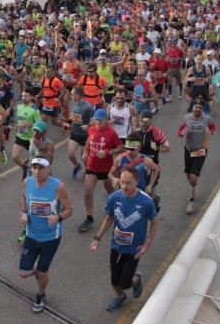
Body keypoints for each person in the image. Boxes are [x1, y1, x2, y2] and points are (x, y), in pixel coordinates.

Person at [89, 166, 160, 312]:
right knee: (114, 281)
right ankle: (121, 297)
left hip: (134, 249)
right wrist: (97, 238)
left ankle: (135, 279)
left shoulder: (146, 202)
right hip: (116, 246)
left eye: (128, 183)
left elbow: (155, 222)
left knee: (125, 282)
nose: (124, 186)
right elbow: (109, 218)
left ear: (137, 182)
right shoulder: (114, 198)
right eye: (122, 182)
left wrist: (147, 243)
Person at [19, 156, 72, 312]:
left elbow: (69, 209)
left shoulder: (58, 187)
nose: (37, 171)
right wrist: (22, 212)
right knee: (23, 273)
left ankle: (41, 294)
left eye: (41, 168)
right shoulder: (27, 182)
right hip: (31, 234)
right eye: (34, 168)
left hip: (51, 237)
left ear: (49, 169)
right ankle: (40, 272)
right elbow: (22, 197)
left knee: (42, 272)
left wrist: (58, 217)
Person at [77, 108, 122, 233]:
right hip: (92, 166)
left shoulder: (112, 133)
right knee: (87, 192)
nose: (98, 122)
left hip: (106, 168)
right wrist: (86, 151)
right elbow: (89, 140)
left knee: (110, 191)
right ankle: (89, 217)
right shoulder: (91, 129)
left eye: (100, 120)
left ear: (106, 121)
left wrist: (108, 152)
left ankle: (115, 207)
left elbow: (120, 147)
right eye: (96, 120)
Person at [177, 100, 216, 214]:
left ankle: (192, 199)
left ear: (202, 110)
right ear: (192, 108)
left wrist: (210, 131)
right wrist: (182, 132)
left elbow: (213, 127)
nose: (198, 110)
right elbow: (180, 131)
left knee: (193, 177)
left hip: (201, 150)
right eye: (196, 108)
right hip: (189, 149)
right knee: (188, 174)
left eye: (200, 108)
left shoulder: (206, 119)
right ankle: (193, 187)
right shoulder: (186, 118)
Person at [63, 86, 94, 180]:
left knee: (84, 157)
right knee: (70, 154)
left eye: (72, 94)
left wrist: (88, 126)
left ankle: (87, 171)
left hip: (85, 136)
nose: (71, 96)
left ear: (78, 95)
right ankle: (77, 166)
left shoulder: (88, 107)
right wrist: (68, 123)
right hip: (74, 133)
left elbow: (94, 121)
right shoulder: (72, 103)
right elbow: (72, 116)